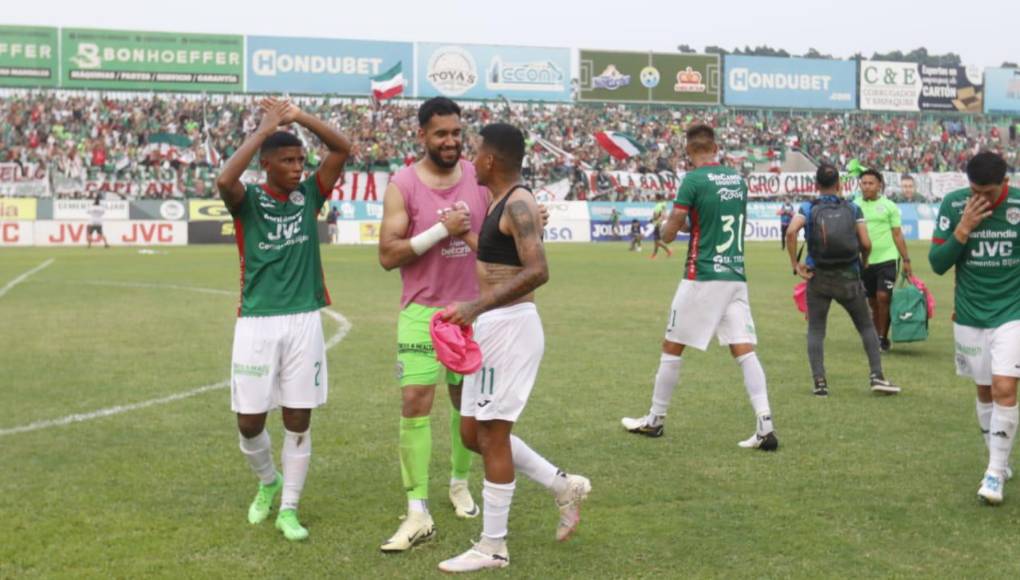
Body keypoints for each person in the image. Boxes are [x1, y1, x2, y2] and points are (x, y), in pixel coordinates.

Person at [437, 123, 590, 573]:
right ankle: (562, 485)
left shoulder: (520, 202)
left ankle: (493, 547)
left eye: (478, 152)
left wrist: (474, 306)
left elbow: (537, 270)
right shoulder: (502, 204)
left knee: (491, 435)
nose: (472, 159)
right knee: (471, 434)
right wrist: (461, 235)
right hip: (493, 326)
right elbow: (495, 261)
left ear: (492, 160)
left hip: (510, 329)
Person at [215, 98, 350, 541]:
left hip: (303, 321)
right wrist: (263, 129)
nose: (297, 167)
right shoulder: (248, 199)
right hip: (256, 322)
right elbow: (223, 178)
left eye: (300, 160)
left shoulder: (308, 194)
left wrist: (299, 118)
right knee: (249, 423)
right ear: (266, 163)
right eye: (287, 161)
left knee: (298, 419)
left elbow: (342, 148)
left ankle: (289, 508)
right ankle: (268, 481)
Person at [621, 124, 778, 451]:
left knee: (672, 345)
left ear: (688, 151)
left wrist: (664, 225)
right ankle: (765, 424)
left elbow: (669, 233)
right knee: (743, 348)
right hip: (734, 273)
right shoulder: (737, 180)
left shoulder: (692, 180)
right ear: (716, 147)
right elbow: (712, 220)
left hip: (703, 274)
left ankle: (656, 419)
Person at [376, 97, 488, 552]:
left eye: (456, 133)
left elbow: (506, 229)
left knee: (469, 405)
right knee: (415, 403)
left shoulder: (480, 178)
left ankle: (459, 483)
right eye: (440, 133)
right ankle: (417, 508)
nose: (450, 141)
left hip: (474, 312)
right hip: (422, 312)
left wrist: (532, 219)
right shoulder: (402, 184)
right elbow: (388, 255)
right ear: (421, 135)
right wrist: (443, 230)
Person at [929, 151, 1020, 505]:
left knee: (1004, 388)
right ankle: (998, 458)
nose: (979, 199)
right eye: (974, 191)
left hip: (1012, 313)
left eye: (988, 193)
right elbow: (937, 264)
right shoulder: (954, 206)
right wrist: (963, 229)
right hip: (970, 315)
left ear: (1005, 185)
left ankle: (994, 473)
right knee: (984, 391)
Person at [785, 164, 900, 396]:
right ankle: (877, 375)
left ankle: (820, 382)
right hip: (849, 276)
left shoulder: (808, 207)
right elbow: (866, 243)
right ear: (839, 185)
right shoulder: (853, 208)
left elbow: (790, 232)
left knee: (816, 330)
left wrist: (795, 265)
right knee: (866, 326)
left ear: (816, 186)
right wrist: (864, 260)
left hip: (818, 277)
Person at [854, 169, 912, 352]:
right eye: (864, 183)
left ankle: (882, 337)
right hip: (865, 261)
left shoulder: (889, 206)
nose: (867, 186)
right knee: (872, 302)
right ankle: (876, 336)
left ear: (879, 185)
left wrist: (906, 259)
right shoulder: (854, 206)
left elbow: (897, 234)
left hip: (887, 258)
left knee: (883, 297)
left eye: (871, 183)